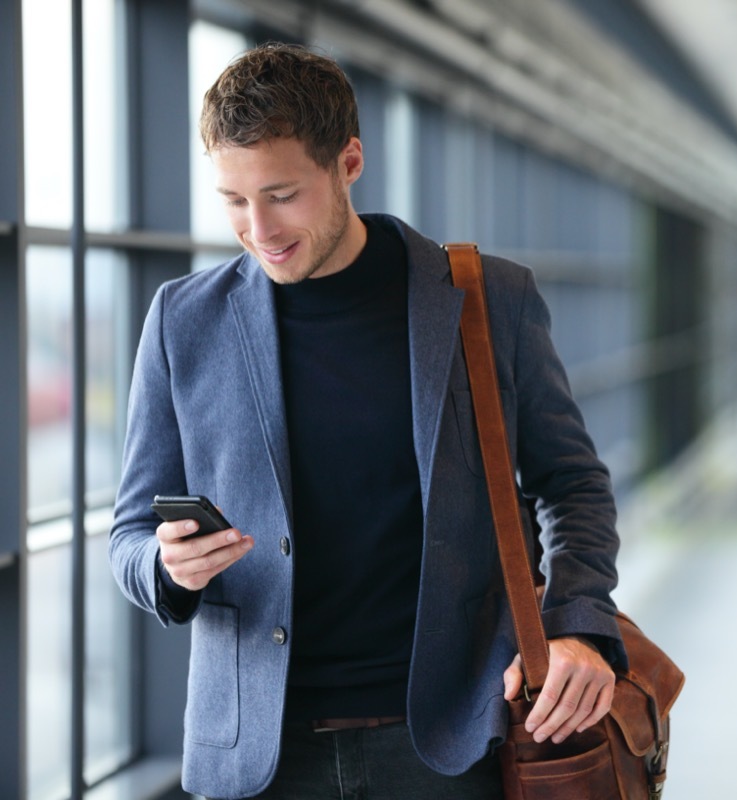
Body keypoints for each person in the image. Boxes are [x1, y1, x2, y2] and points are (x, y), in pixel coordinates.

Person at [108, 42, 625, 800]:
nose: (259, 228)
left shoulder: (484, 300)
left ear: (349, 161)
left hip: (450, 744)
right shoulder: (182, 322)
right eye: (233, 200)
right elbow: (127, 538)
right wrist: (165, 567)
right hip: (261, 757)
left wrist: (578, 621)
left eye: (282, 194)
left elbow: (572, 484)